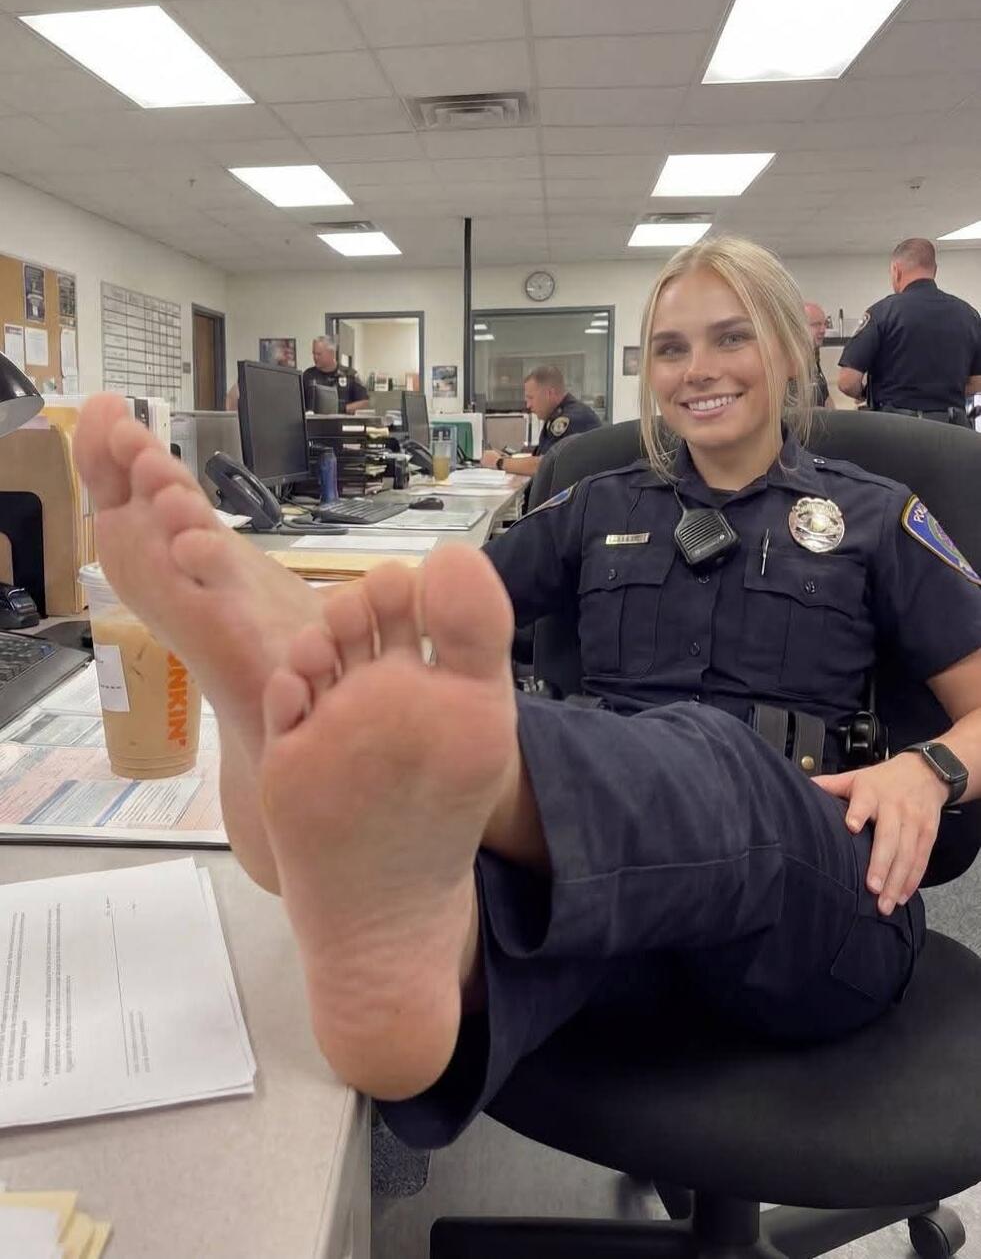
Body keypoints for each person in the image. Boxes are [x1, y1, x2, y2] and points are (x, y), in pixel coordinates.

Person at [72, 235, 981, 1149]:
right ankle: (421, 966)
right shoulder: (596, 502)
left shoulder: (872, 514)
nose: (697, 370)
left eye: (729, 339)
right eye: (670, 348)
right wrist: (343, 655)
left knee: (705, 758)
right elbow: (436, 621)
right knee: (497, 854)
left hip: (820, 893)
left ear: (786, 351)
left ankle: (460, 789)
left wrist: (931, 768)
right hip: (612, 898)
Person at [837, 238, 981, 425]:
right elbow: (977, 382)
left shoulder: (882, 312)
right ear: (934, 271)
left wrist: (866, 393)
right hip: (953, 429)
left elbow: (847, 381)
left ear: (896, 271)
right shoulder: (969, 314)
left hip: (897, 429)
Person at [480, 365, 601, 476]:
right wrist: (509, 459)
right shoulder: (559, 414)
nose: (528, 405)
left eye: (531, 398)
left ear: (549, 393)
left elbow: (543, 466)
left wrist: (499, 462)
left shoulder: (571, 419)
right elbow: (542, 456)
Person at [301, 336, 369, 415]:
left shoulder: (350, 374)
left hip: (343, 424)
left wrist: (341, 408)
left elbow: (365, 403)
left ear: (332, 354)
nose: (315, 357)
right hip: (315, 425)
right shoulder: (308, 375)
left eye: (319, 354)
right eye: (314, 353)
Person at [803, 300, 832, 407]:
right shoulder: (789, 364)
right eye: (816, 325)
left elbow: (826, 397)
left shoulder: (813, 357)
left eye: (825, 324)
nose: (823, 330)